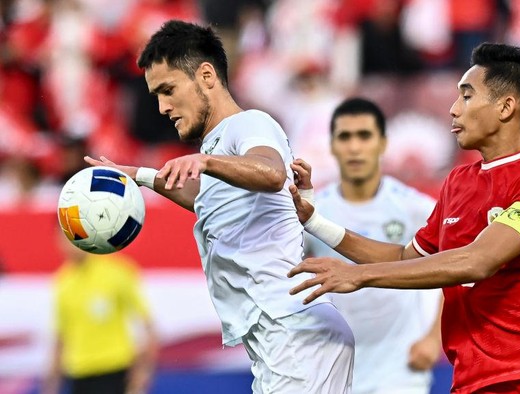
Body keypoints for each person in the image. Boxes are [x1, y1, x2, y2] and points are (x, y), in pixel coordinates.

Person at [288, 43, 520, 393]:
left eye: (467, 97)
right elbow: (406, 258)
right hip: (473, 380)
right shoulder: (458, 182)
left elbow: (479, 261)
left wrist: (359, 276)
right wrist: (316, 222)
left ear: (506, 107)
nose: (453, 110)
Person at [83, 20, 354, 393]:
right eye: (155, 96)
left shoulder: (249, 124)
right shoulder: (218, 148)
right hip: (282, 335)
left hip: (292, 331)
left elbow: (272, 172)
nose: (162, 107)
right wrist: (139, 175)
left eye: (168, 89)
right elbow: (205, 199)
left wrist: (206, 163)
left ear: (206, 76)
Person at [304, 97, 443, 394]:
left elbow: (455, 268)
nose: (354, 147)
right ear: (332, 146)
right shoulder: (313, 213)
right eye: (345, 137)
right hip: (331, 366)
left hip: (400, 367)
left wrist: (434, 337)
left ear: (382, 143)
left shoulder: (414, 208)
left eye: (364, 136)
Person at [43, 230, 158, 394]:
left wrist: (142, 373)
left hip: (115, 370)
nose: (69, 244)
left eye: (72, 236)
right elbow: (60, 338)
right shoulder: (62, 282)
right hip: (79, 374)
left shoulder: (117, 271)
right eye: (63, 237)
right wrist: (51, 386)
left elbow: (148, 326)